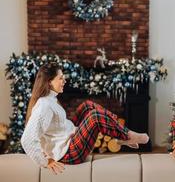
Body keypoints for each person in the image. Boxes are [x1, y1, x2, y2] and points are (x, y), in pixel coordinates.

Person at [21, 62, 149, 174]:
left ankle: (120, 133)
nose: (64, 81)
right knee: (95, 116)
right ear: (49, 82)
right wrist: (45, 161)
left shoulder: (51, 99)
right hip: (68, 153)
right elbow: (27, 139)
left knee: (87, 106)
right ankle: (127, 135)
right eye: (60, 78)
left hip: (68, 140)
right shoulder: (44, 105)